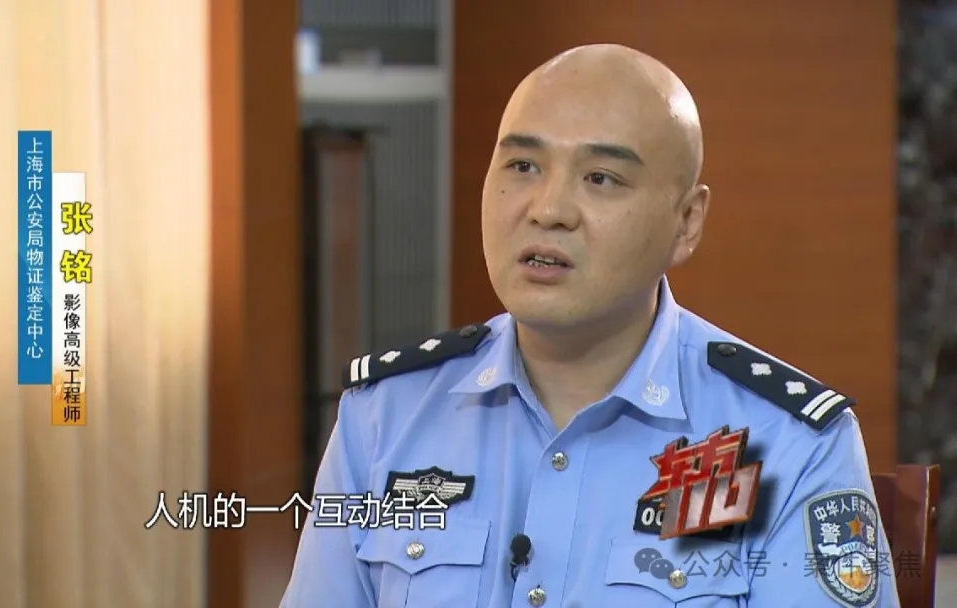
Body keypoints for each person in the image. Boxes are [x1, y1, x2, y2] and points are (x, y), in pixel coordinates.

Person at [281, 44, 898, 608]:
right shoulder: (385, 417)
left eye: (601, 178)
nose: (548, 210)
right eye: (523, 165)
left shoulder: (788, 444)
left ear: (686, 222)